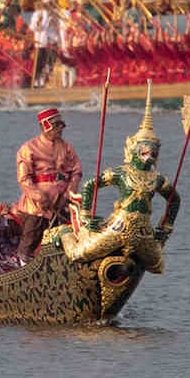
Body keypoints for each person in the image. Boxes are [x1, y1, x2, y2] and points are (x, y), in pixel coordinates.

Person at [62, 92, 180, 274]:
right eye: (145, 149)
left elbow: (174, 199)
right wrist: (86, 217)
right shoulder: (122, 173)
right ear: (134, 149)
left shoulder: (157, 179)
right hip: (119, 227)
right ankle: (65, 235)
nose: (150, 153)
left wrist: (165, 229)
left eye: (153, 151)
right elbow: (90, 185)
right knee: (79, 253)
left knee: (158, 266)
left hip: (143, 231)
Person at [15, 108, 82, 261]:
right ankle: (24, 264)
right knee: (30, 239)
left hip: (62, 202)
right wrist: (40, 197)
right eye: (56, 125)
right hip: (37, 205)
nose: (60, 129)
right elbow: (24, 179)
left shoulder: (67, 147)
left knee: (70, 236)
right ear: (45, 126)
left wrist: (69, 193)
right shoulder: (28, 148)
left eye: (61, 125)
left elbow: (76, 171)